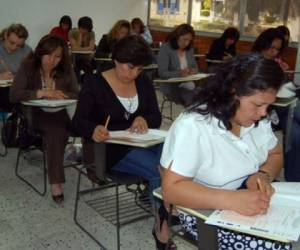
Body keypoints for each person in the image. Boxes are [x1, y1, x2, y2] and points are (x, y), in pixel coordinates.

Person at [155, 53, 292, 249]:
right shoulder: (194, 125)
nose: (263, 113)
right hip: (202, 210)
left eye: (268, 105)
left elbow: (276, 154)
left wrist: (263, 174)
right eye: (258, 104)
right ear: (232, 93)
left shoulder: (256, 120)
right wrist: (231, 200)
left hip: (244, 196)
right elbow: (171, 189)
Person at [72, 35, 162, 200]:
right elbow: (77, 122)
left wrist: (144, 119)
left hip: (144, 142)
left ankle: (161, 203)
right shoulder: (94, 83)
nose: (134, 74)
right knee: (158, 169)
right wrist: (94, 129)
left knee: (172, 161)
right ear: (116, 60)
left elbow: (156, 117)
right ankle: (162, 222)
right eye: (130, 67)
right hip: (111, 150)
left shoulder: (143, 82)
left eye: (139, 69)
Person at [10, 34, 79, 203]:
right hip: (36, 113)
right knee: (56, 130)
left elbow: (76, 92)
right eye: (48, 55)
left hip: (62, 111)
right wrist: (42, 93)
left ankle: (95, 170)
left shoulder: (66, 68)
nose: (52, 60)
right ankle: (56, 182)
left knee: (87, 123)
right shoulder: (28, 67)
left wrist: (61, 95)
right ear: (40, 53)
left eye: (57, 57)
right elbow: (14, 94)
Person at [157, 23, 198, 106]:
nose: (187, 43)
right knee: (192, 98)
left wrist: (192, 71)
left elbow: (195, 68)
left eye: (189, 41)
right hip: (172, 87)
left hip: (188, 85)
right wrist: (180, 73)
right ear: (177, 36)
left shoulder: (189, 50)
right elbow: (162, 73)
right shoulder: (166, 48)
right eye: (185, 39)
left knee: (203, 96)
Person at [0, 24, 31, 111]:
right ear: (6, 36)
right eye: (12, 43)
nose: (14, 48)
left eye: (18, 45)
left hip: (17, 90)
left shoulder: (26, 51)